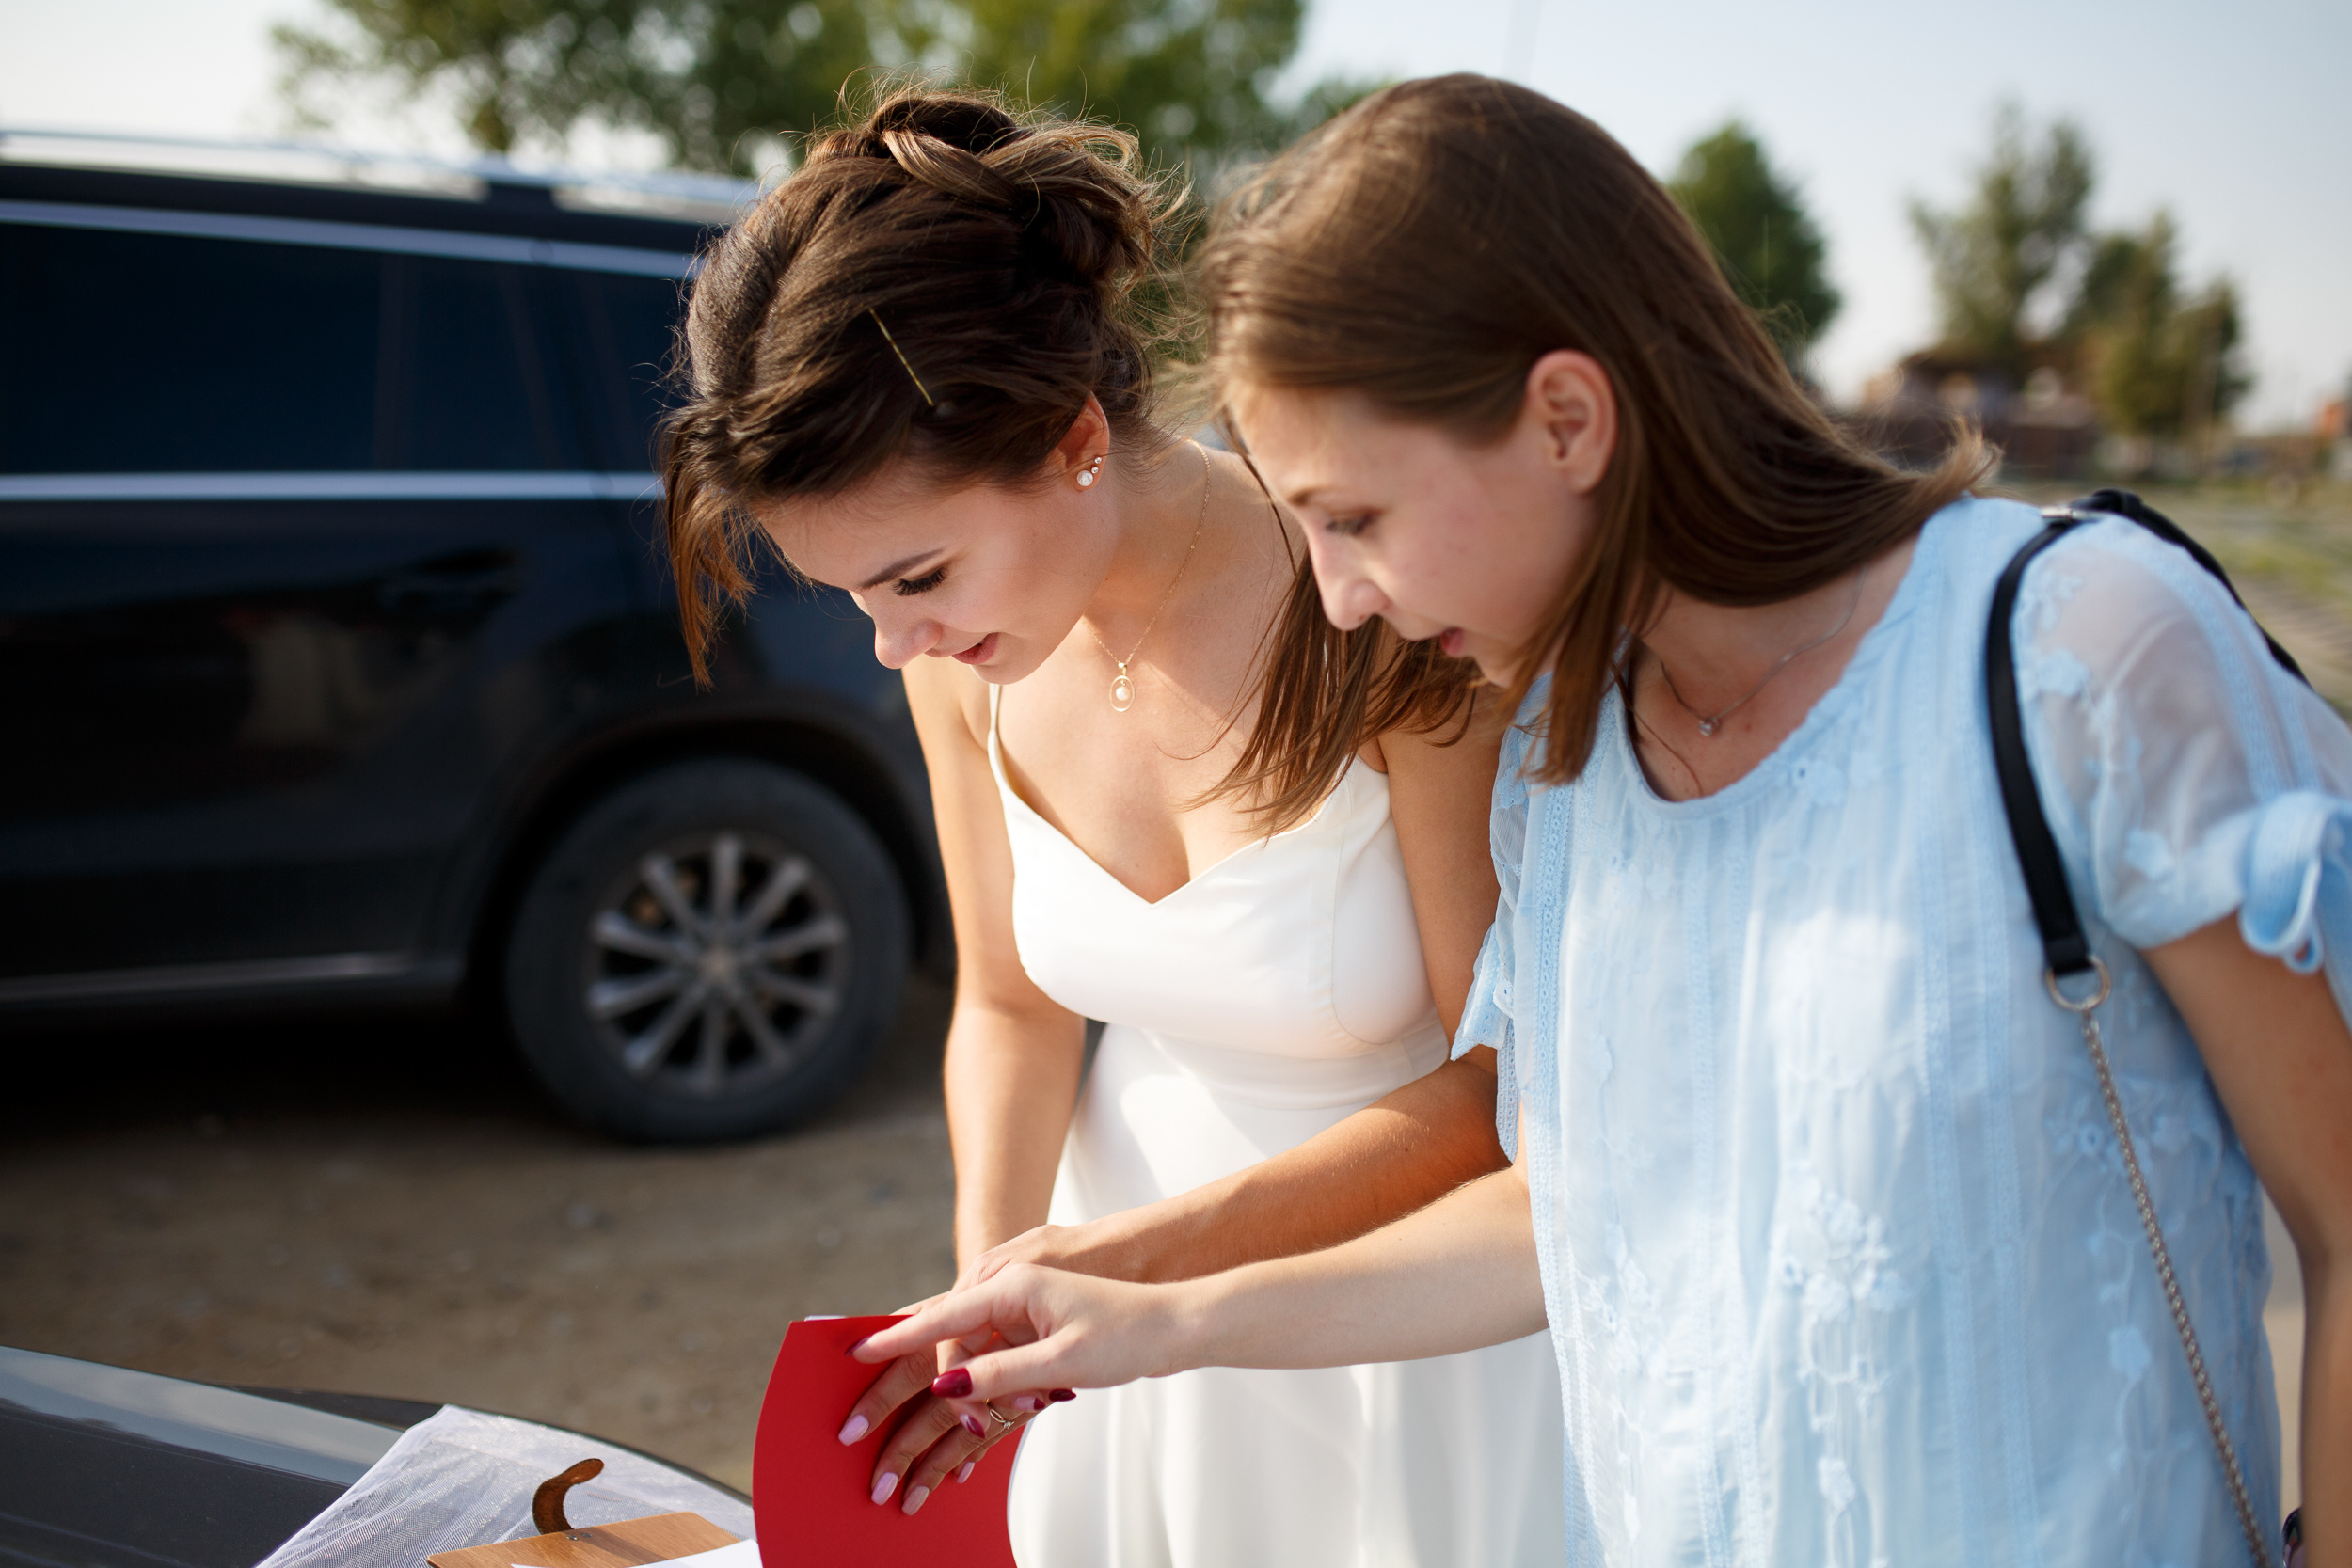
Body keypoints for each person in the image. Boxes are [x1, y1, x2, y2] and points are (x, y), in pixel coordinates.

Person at [863, 75, 2351, 1564]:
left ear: (1569, 417)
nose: (1335, 599)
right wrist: (1155, 1318)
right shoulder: (1566, 768)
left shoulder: (2082, 647)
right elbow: (1555, 1218)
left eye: (1355, 518)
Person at [660, 87, 1566, 1568]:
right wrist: (986, 1323)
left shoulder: (1379, 616)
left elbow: (1502, 1086)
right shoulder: (971, 663)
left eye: (919, 574)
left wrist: (1140, 1273)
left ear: (1073, 436)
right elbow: (1010, 1010)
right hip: (1099, 1318)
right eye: (860, 601)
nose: (895, 645)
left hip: (1391, 1324)